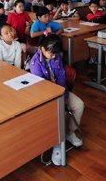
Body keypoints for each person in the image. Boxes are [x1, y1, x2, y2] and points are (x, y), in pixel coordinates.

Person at [29, 35, 85, 165]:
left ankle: (69, 132)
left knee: (79, 105)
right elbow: (41, 87)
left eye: (56, 53)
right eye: (51, 53)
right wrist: (57, 99)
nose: (54, 56)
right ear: (42, 49)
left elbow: (61, 76)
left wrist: (64, 96)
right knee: (55, 115)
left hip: (60, 92)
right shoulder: (35, 63)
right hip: (46, 96)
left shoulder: (56, 57)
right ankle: (56, 143)